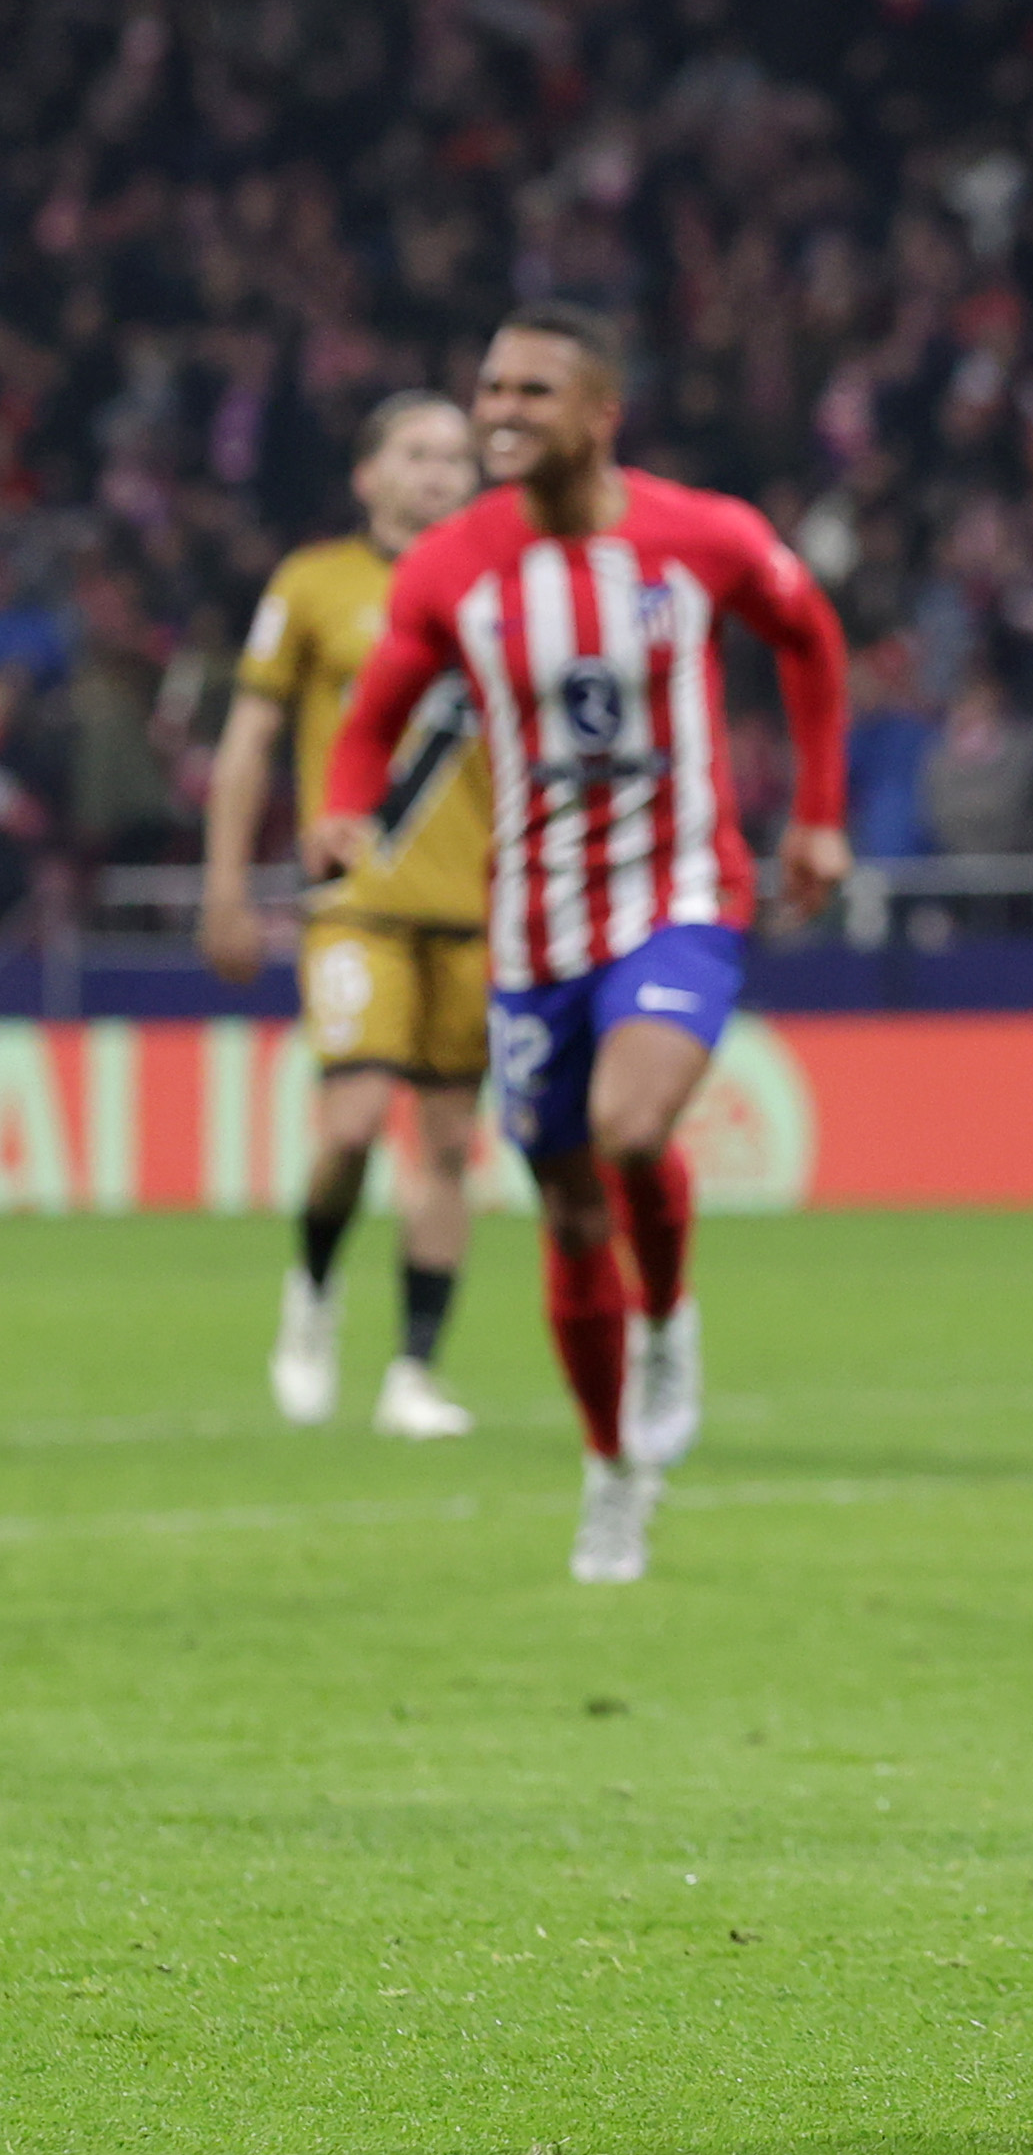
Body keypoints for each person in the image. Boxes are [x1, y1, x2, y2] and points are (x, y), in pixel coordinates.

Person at [312, 306, 851, 1581]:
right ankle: (612, 1470)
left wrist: (818, 817)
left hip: (678, 893)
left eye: (532, 390)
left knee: (627, 1128)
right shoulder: (451, 564)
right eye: (490, 385)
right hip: (532, 917)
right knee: (562, 1207)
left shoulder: (700, 534)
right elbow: (381, 695)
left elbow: (811, 640)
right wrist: (344, 803)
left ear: (599, 412)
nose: (499, 409)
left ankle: (667, 1317)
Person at [201, 393, 491, 1440]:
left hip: (479, 908)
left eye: (456, 456)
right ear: (367, 474)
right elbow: (246, 743)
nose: (438, 471)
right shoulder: (314, 583)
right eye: (415, 452)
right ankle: (314, 1292)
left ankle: (414, 1370)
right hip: (357, 901)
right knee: (357, 1120)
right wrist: (226, 887)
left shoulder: (503, 590)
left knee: (451, 1146)